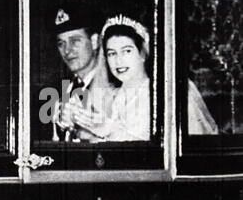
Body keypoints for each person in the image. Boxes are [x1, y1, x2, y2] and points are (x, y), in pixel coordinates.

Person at [68, 14, 218, 141]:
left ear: (142, 53)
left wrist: (109, 130)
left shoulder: (166, 94)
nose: (118, 61)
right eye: (112, 53)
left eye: (126, 51)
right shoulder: (113, 96)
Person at [52, 8, 114, 141]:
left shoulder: (115, 88)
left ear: (94, 41)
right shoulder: (58, 91)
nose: (67, 51)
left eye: (75, 41)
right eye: (61, 44)